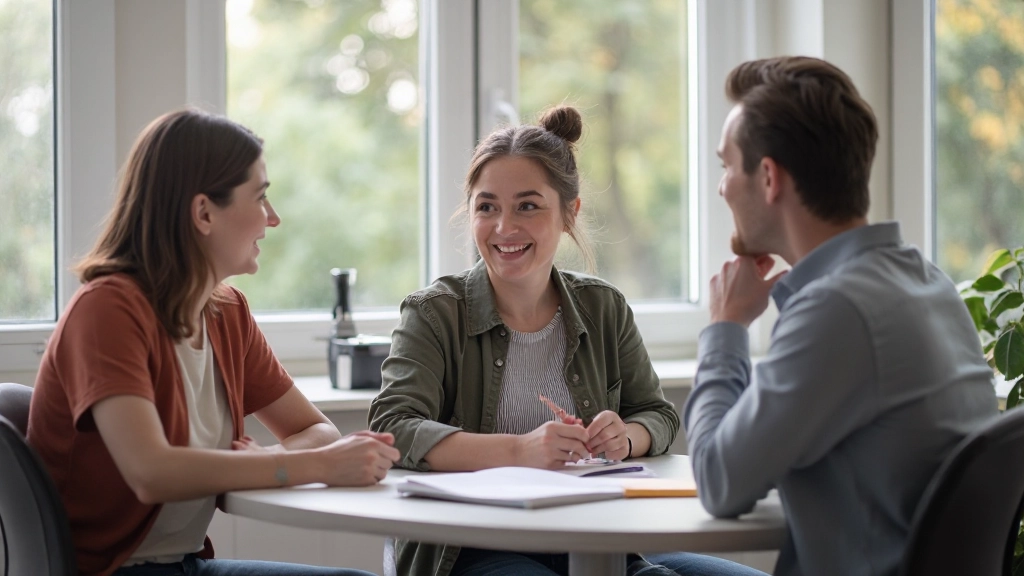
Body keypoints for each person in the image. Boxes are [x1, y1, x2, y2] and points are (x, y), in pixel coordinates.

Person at [369, 106, 764, 576]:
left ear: (569, 213)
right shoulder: (434, 311)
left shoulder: (603, 307)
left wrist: (627, 437)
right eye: (487, 206)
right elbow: (393, 426)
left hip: (600, 539)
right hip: (468, 548)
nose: (503, 227)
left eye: (528, 206)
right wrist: (518, 452)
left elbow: (657, 415)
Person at [27, 109, 400, 576]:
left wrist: (273, 459)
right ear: (204, 212)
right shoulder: (106, 310)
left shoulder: (226, 311)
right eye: (260, 197)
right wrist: (317, 467)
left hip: (181, 567)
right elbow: (152, 472)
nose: (274, 218)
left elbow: (316, 430)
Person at [681, 56, 999, 576]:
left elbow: (719, 483)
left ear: (767, 178)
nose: (721, 188)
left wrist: (725, 329)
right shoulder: (925, 279)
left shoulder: (838, 309)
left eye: (725, 166)